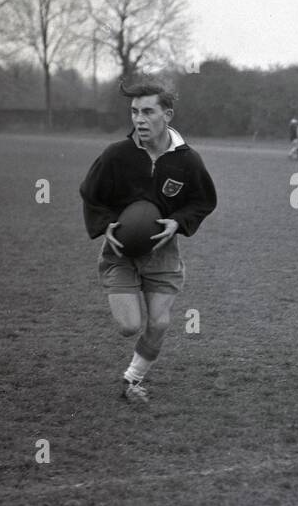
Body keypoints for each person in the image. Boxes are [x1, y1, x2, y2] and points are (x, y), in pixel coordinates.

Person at [79, 82, 218, 401]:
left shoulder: (187, 161)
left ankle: (132, 380)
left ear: (167, 115)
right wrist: (105, 225)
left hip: (162, 251)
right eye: (134, 112)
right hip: (120, 251)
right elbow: (91, 194)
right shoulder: (117, 155)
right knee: (129, 326)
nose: (139, 119)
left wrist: (178, 222)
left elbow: (203, 201)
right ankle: (133, 374)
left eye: (148, 112)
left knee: (159, 322)